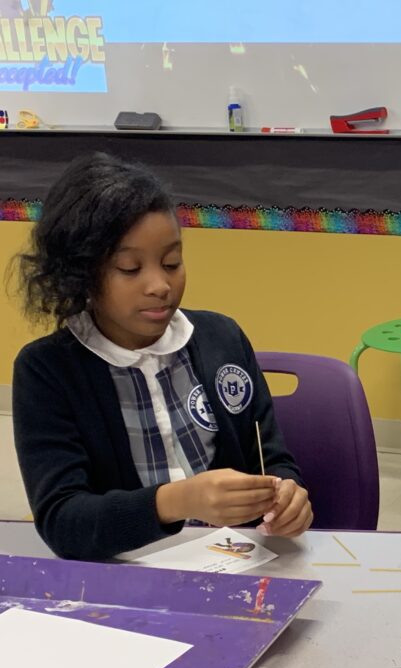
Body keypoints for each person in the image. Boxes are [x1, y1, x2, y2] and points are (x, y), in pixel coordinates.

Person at [9, 152, 313, 561]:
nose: (160, 285)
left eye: (172, 262)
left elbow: (270, 456)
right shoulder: (47, 371)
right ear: (80, 274)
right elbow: (64, 521)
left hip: (239, 560)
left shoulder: (222, 338)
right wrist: (177, 501)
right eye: (130, 268)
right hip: (128, 574)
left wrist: (286, 494)